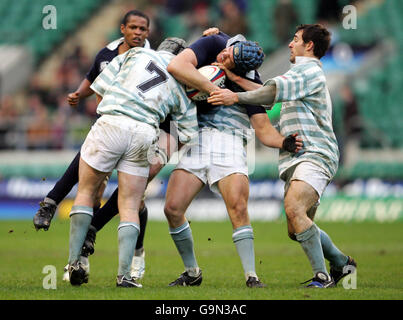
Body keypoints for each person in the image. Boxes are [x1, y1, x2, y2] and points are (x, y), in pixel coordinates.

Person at [208, 24, 357, 288]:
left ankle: (322, 277)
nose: (290, 43)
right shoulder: (300, 74)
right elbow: (267, 97)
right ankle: (342, 262)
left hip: (315, 152)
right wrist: (234, 75)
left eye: (295, 39)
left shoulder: (308, 70)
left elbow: (269, 93)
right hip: (298, 155)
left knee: (294, 208)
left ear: (309, 46)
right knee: (296, 226)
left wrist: (235, 97)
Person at [164, 32, 302, 288]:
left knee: (238, 210)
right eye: (228, 51)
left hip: (230, 141)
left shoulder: (249, 84)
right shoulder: (217, 48)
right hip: (199, 139)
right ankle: (192, 272)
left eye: (229, 61)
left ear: (239, 69)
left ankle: (252, 276)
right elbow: (179, 66)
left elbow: (263, 129)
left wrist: (283, 141)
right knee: (172, 208)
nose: (223, 57)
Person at [67, 37, 198, 288]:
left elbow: (101, 84)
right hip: (144, 132)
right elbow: (188, 130)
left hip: (112, 122)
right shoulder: (182, 81)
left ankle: (74, 263)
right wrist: (161, 155)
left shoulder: (135, 53)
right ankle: (125, 276)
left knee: (85, 192)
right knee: (129, 204)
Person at [33, 10, 153, 281]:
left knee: (134, 197)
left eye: (142, 29)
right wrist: (78, 92)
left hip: (140, 132)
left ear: (148, 32)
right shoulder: (106, 55)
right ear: (122, 28)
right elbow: (92, 81)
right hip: (109, 127)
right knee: (93, 188)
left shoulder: (152, 59)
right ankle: (79, 261)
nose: (137, 32)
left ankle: (133, 253)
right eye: (133, 27)